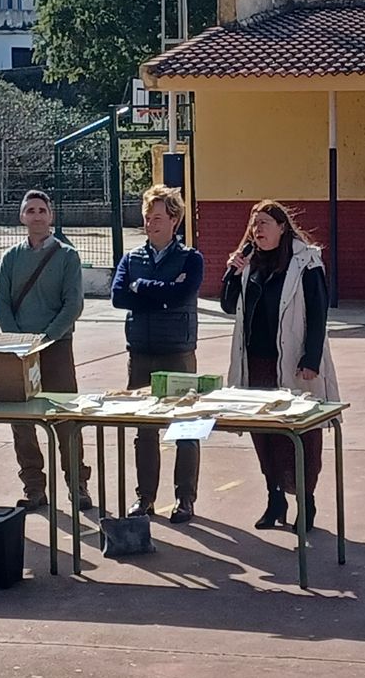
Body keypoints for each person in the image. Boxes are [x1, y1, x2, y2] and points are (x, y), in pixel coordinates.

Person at [220, 200, 339, 532]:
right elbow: (229, 306)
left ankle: (306, 502)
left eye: (264, 223)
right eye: (254, 224)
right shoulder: (249, 264)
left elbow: (318, 313)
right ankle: (275, 500)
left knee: (298, 433)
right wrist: (233, 272)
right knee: (264, 433)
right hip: (256, 363)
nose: (258, 230)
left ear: (282, 227)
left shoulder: (305, 262)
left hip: (294, 364)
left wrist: (311, 358)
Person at [111, 185, 205, 523]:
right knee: (144, 429)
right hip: (141, 353)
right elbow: (119, 297)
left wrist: (144, 288)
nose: (151, 225)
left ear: (175, 220)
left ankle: (185, 499)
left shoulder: (191, 259)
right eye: (148, 219)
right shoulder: (132, 258)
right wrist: (158, 292)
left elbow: (182, 295)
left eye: (158, 219)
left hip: (177, 351)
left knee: (185, 427)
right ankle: (145, 498)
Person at [0, 189, 91, 510]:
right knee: (23, 423)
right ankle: (34, 488)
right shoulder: (11, 258)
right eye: (30, 210)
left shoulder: (67, 256)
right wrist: (20, 341)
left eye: (42, 210)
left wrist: (47, 338)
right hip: (21, 351)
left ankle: (77, 485)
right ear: (22, 217)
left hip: (57, 348)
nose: (36, 215)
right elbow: (1, 303)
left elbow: (72, 304)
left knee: (65, 419)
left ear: (51, 216)